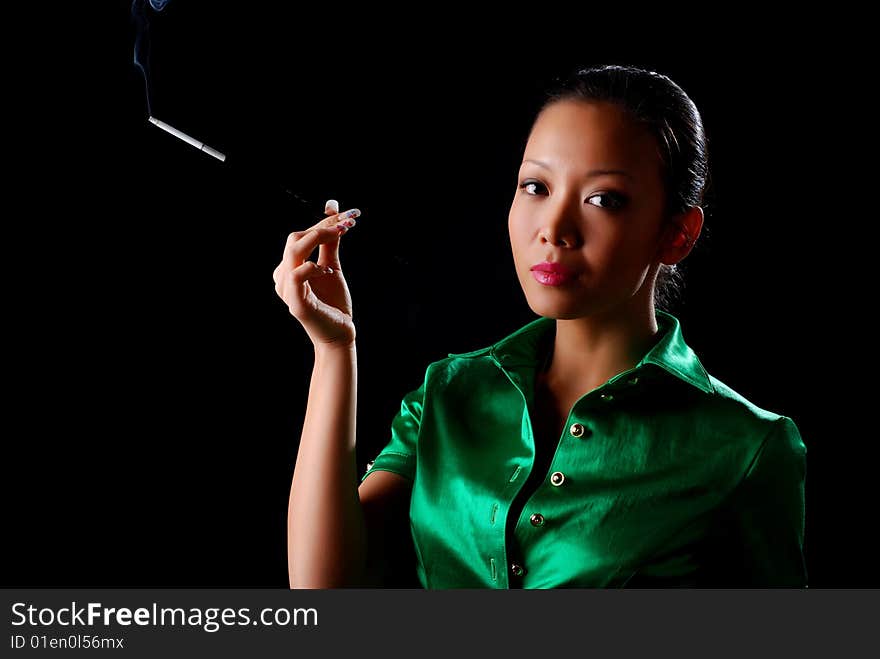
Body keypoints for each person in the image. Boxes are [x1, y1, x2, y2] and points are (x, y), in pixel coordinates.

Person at [273, 64, 808, 588]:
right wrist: (334, 348)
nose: (554, 229)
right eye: (535, 187)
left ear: (679, 233)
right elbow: (323, 593)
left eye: (604, 199)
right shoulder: (449, 393)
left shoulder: (747, 447)